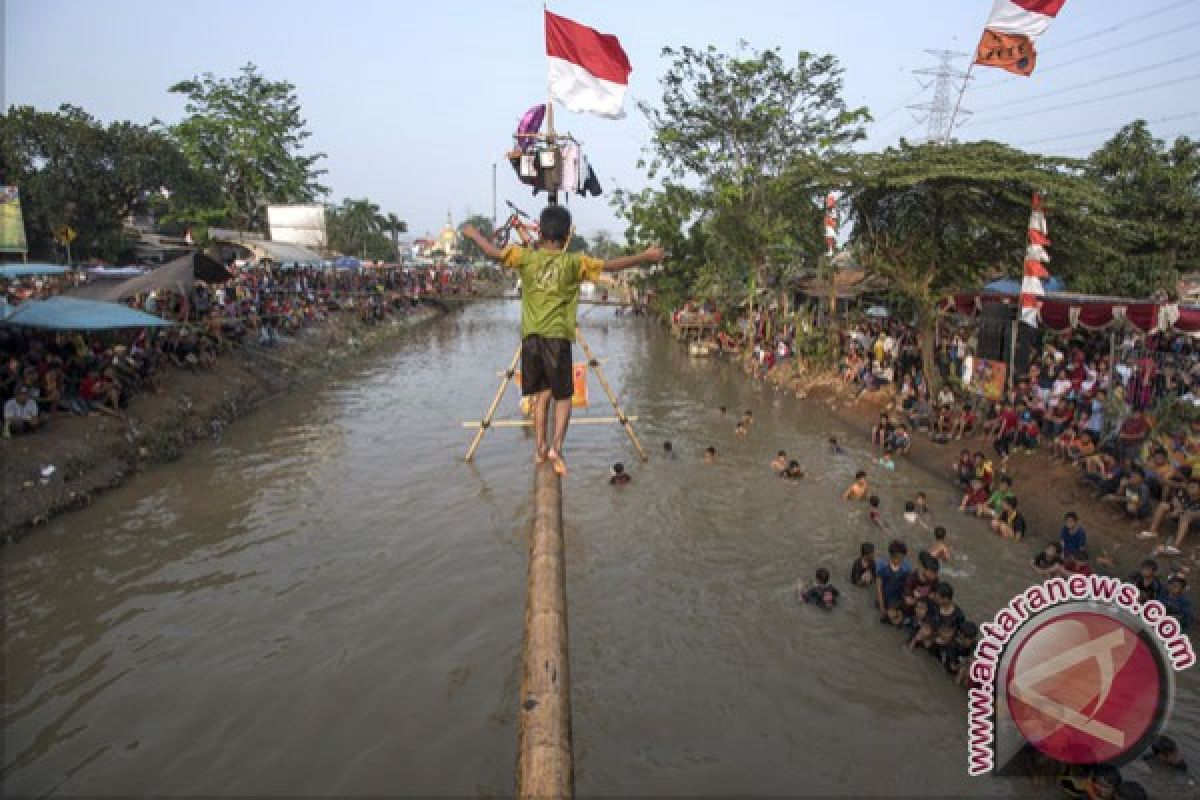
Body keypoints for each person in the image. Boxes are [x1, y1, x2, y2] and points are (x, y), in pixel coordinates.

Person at [463, 210, 664, 476]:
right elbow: (611, 265)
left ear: (540, 233)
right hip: (557, 339)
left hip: (531, 338)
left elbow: (493, 253)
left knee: (540, 396)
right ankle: (556, 446)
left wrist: (474, 234)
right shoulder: (574, 262)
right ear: (567, 235)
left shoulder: (525, 257)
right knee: (563, 397)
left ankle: (539, 448)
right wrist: (645, 257)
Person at [875, 539, 912, 613]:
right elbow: (879, 588)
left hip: (898, 597)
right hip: (885, 597)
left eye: (902, 558)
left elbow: (907, 584)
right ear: (891, 556)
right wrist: (882, 608)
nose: (901, 560)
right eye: (898, 558)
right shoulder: (882, 565)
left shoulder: (906, 566)